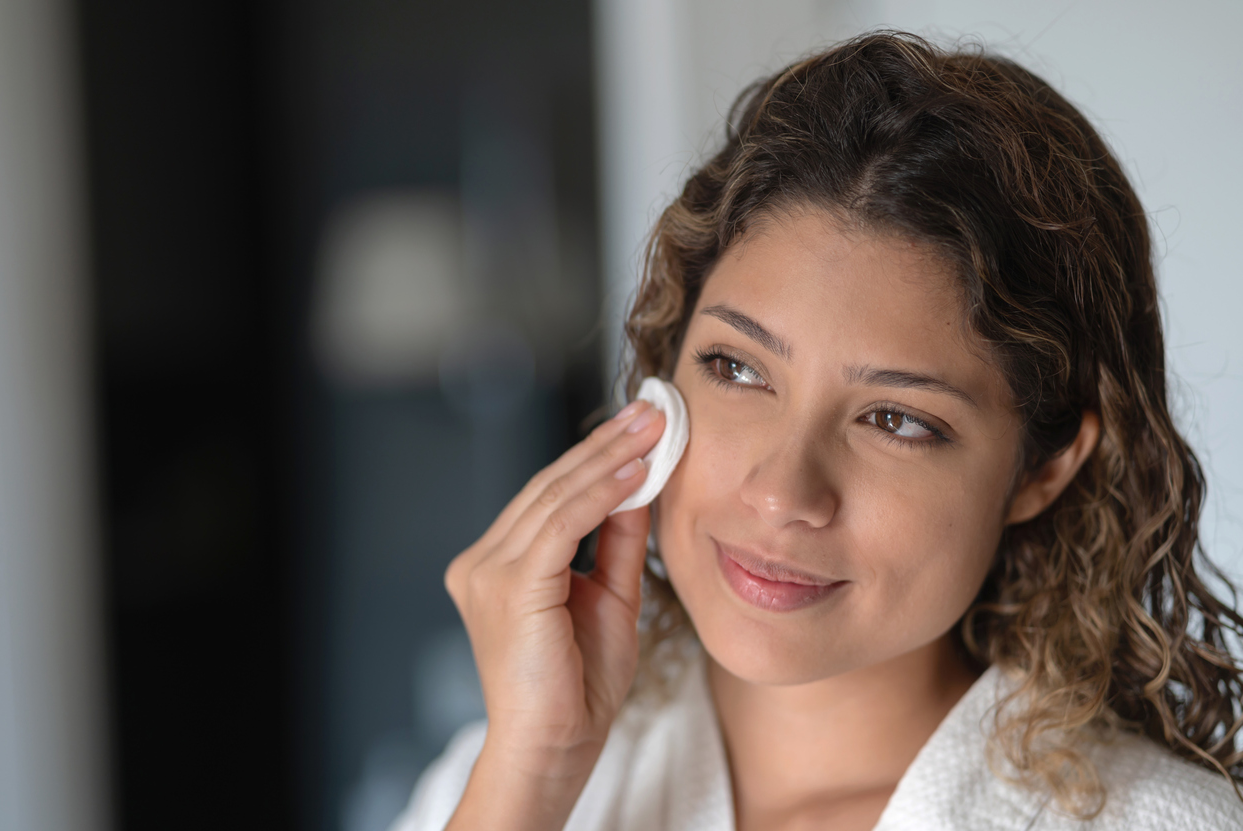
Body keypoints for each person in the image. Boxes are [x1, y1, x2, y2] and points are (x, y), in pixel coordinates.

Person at [393, 31, 1243, 831]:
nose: (781, 491)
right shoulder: (493, 780)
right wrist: (530, 777)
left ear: (1043, 470)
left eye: (896, 419)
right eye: (737, 369)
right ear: (663, 362)